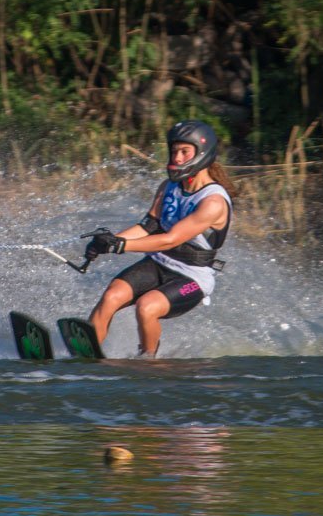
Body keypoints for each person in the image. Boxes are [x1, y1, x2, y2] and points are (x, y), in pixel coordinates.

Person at [83, 120, 234, 358]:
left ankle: (148, 362)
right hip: (159, 263)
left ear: (202, 154)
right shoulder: (168, 187)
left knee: (147, 307)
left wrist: (121, 246)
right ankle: (85, 355)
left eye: (184, 152)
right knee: (112, 295)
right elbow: (148, 227)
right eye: (174, 151)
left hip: (192, 278)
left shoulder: (213, 202)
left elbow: (170, 239)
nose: (177, 158)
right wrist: (108, 240)